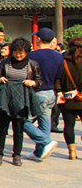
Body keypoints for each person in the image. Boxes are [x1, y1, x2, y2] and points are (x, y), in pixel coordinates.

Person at [0, 37, 43, 167]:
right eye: (16, 52)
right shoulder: (5, 63)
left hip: (22, 100)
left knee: (18, 130)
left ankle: (17, 154)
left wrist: (34, 82)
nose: (18, 55)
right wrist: (0, 79)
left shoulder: (32, 64)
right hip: (6, 99)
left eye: (21, 52)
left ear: (27, 52)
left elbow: (40, 82)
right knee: (2, 129)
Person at [24, 28, 63, 160]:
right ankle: (39, 152)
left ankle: (46, 142)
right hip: (50, 92)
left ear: (38, 39)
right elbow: (59, 75)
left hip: (36, 92)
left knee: (23, 121)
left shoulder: (32, 55)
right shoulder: (58, 56)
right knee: (44, 122)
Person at [56, 37, 82, 159]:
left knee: (69, 125)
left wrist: (60, 92)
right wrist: (78, 91)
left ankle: (72, 151)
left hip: (67, 99)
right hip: (80, 98)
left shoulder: (63, 62)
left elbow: (57, 80)